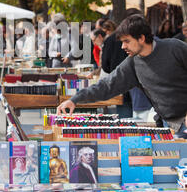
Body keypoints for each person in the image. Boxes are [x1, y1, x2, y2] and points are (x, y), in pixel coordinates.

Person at [57, 14, 187, 139]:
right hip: (169, 125)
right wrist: (75, 99)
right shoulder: (133, 63)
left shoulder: (175, 48)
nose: (123, 46)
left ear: (141, 38)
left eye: (127, 41)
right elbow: (107, 85)